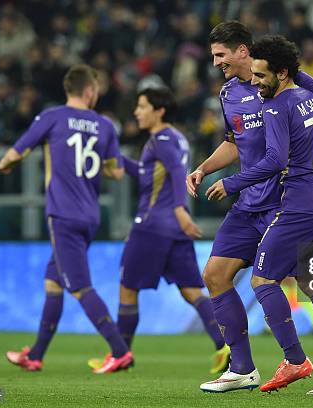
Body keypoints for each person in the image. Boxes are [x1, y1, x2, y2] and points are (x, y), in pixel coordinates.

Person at [192, 21, 313, 394]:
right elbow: (235, 142)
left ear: (242, 51)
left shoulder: (287, 83)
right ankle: (243, 368)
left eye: (221, 55)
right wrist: (203, 168)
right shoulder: (228, 93)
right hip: (247, 204)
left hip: (283, 201)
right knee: (215, 275)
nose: (216, 62)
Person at [0, 64, 133, 374]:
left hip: (63, 215)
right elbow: (117, 172)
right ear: (88, 91)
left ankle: (119, 350)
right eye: (96, 90)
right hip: (89, 216)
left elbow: (19, 150)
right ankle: (35, 355)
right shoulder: (105, 125)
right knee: (53, 282)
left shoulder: (52, 117)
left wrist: (4, 164)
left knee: (80, 286)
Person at [87, 87, 228, 374]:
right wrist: (121, 163)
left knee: (128, 288)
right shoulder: (177, 138)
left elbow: (177, 171)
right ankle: (224, 345)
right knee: (191, 291)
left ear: (159, 110)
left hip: (152, 225)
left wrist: (178, 206)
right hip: (176, 228)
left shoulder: (160, 139)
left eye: (142, 106)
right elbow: (150, 174)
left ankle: (120, 354)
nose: (137, 112)